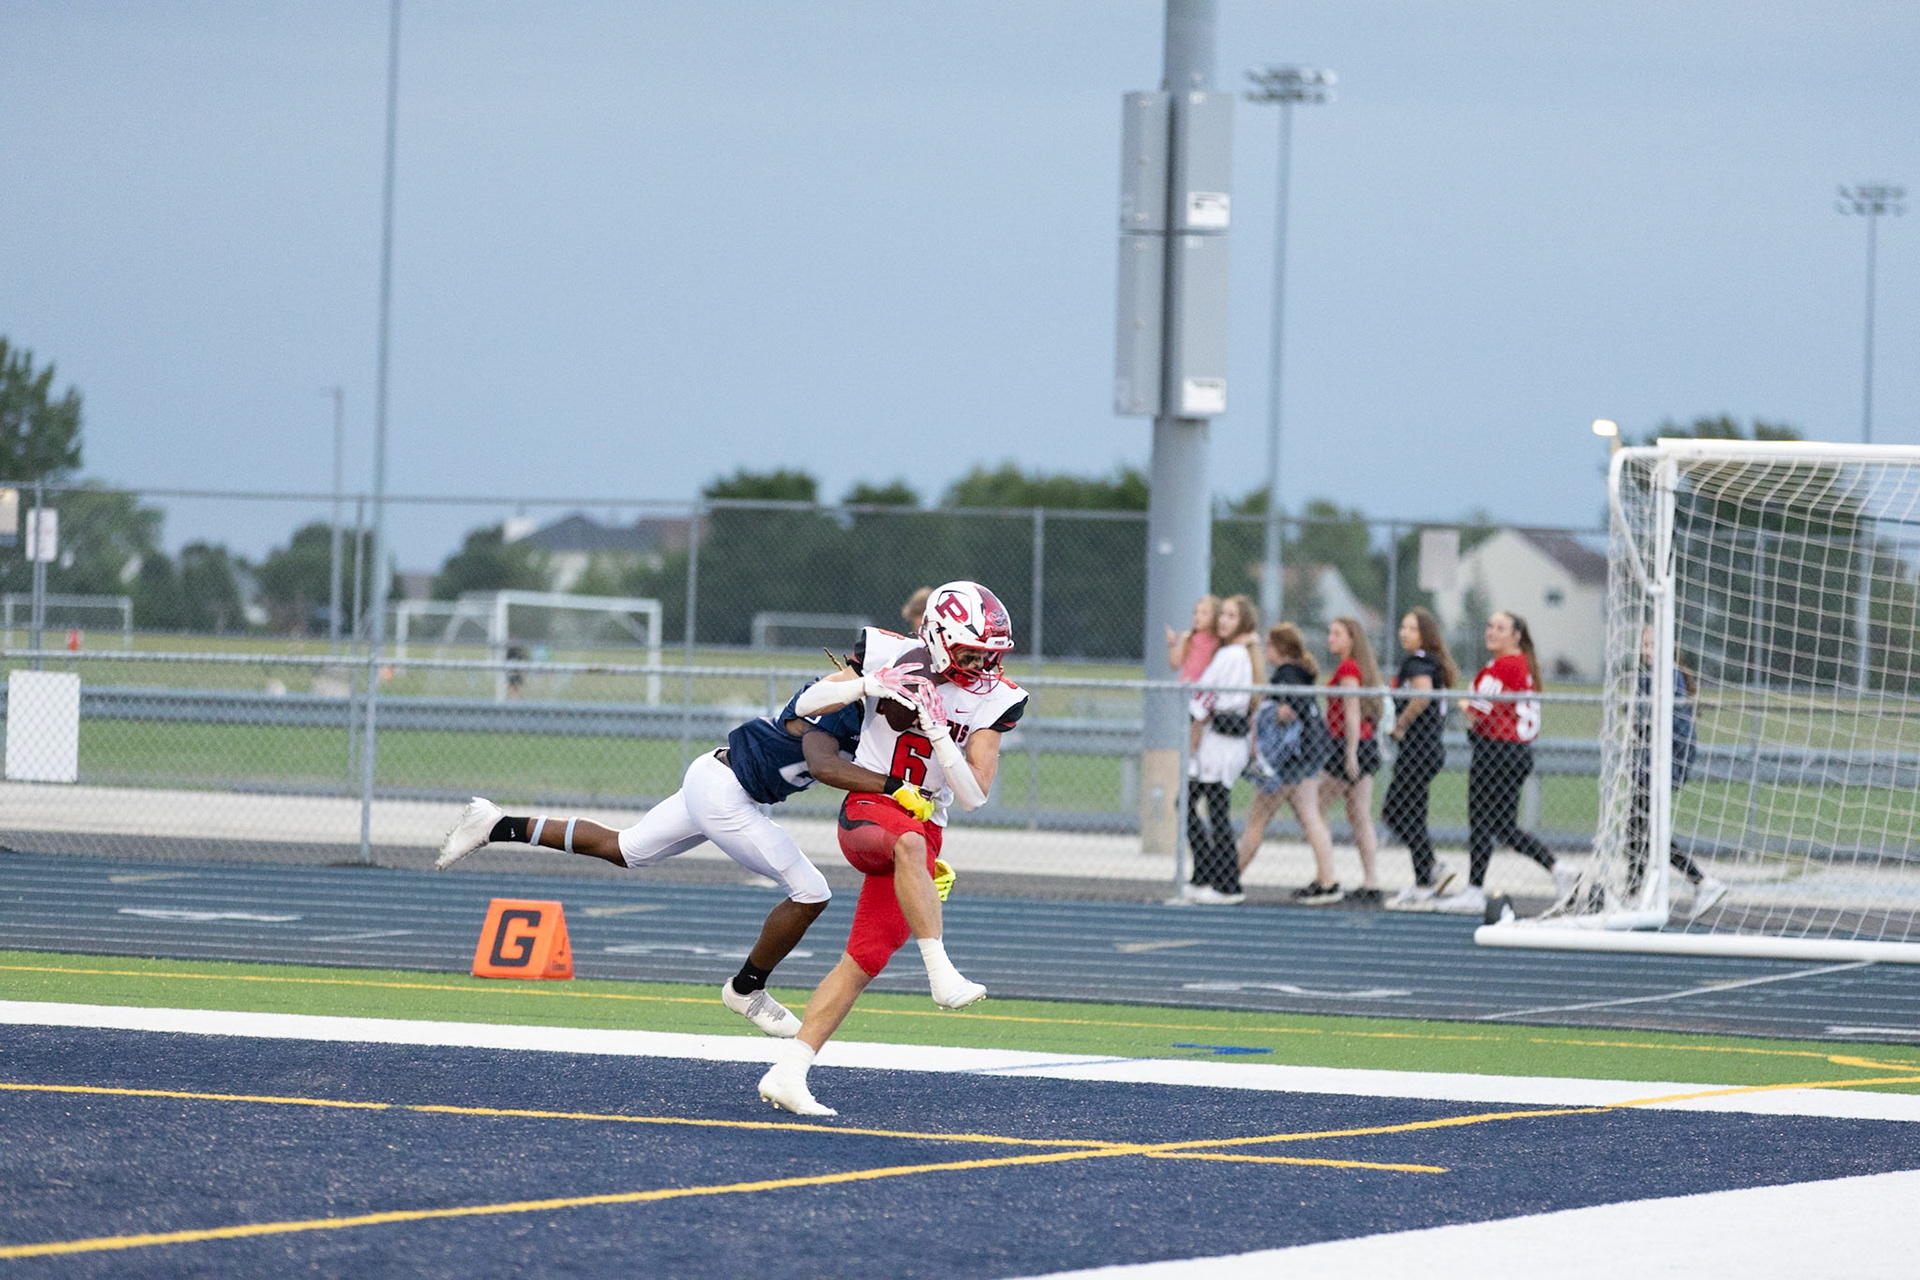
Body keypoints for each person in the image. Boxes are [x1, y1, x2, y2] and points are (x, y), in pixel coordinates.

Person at [434, 677, 918, 1038]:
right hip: (726, 793)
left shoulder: (867, 714)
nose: (911, 708)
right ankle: (746, 988)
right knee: (811, 892)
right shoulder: (840, 700)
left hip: (716, 775)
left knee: (626, 849)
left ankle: (496, 824)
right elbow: (823, 762)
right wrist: (893, 783)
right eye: (908, 698)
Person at [758, 580, 1026, 1116]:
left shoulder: (997, 698)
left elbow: (974, 795)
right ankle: (941, 972)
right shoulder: (885, 652)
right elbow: (801, 705)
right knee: (905, 841)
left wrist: (940, 734)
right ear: (940, 638)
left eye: (989, 654)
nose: (982, 665)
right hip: (871, 809)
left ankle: (788, 1073)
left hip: (926, 823)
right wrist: (866, 684)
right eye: (972, 652)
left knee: (863, 960)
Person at [1434, 611, 1578, 914]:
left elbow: (1477, 712)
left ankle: (1474, 890)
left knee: (1481, 822)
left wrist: (1464, 704)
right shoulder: (1520, 664)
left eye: (1500, 628)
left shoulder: (1503, 666)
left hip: (1496, 752)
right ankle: (1558, 869)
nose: (1492, 631)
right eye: (1490, 626)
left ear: (1516, 636)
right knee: (1503, 826)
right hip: (1516, 752)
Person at [1628, 626, 1727, 919]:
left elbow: (1663, 725)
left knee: (1642, 828)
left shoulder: (1666, 676)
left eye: (1652, 644)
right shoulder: (1652, 676)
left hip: (1662, 765)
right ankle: (1638, 892)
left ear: (1669, 646)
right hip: (1654, 763)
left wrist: (1634, 717)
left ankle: (1697, 883)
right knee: (1640, 828)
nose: (1647, 650)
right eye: (1644, 645)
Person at [1238, 623, 1339, 901]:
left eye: (1269, 645)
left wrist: (1263, 714)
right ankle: (1327, 880)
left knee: (1257, 818)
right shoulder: (1301, 674)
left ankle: (1229, 878)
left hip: (1289, 759)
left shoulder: (1286, 675)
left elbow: (1287, 712)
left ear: (1280, 648)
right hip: (1308, 755)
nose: (1266, 651)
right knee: (1310, 817)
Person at [1172, 594, 1260, 905]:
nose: (1223, 620)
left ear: (1243, 622)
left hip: (1222, 744)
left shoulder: (1232, 655)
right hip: (1216, 742)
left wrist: (1195, 723)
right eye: (1223, 615)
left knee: (1212, 811)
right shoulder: (1230, 653)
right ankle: (1206, 874)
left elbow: (1205, 696)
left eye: (1232, 616)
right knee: (1191, 805)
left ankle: (1226, 884)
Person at [1383, 608, 1458, 910]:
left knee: (1393, 812)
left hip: (1418, 750)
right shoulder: (1429, 662)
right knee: (1414, 816)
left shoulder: (1418, 663)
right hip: (1426, 750)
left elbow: (1423, 694)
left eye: (1412, 629)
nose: (1404, 633)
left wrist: (1401, 724)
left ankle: (1434, 866)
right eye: (1403, 627)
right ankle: (1424, 884)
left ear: (1425, 634)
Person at [1318, 616, 1386, 905]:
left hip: (1349, 745)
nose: (1331, 638)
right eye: (1330, 633)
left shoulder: (1348, 668)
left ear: (1351, 639)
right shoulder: (1352, 667)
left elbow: (1352, 711)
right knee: (1359, 816)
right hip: (1359, 745)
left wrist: (1350, 752)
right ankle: (1371, 882)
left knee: (1314, 807)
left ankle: (1325, 876)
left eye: (1337, 633)